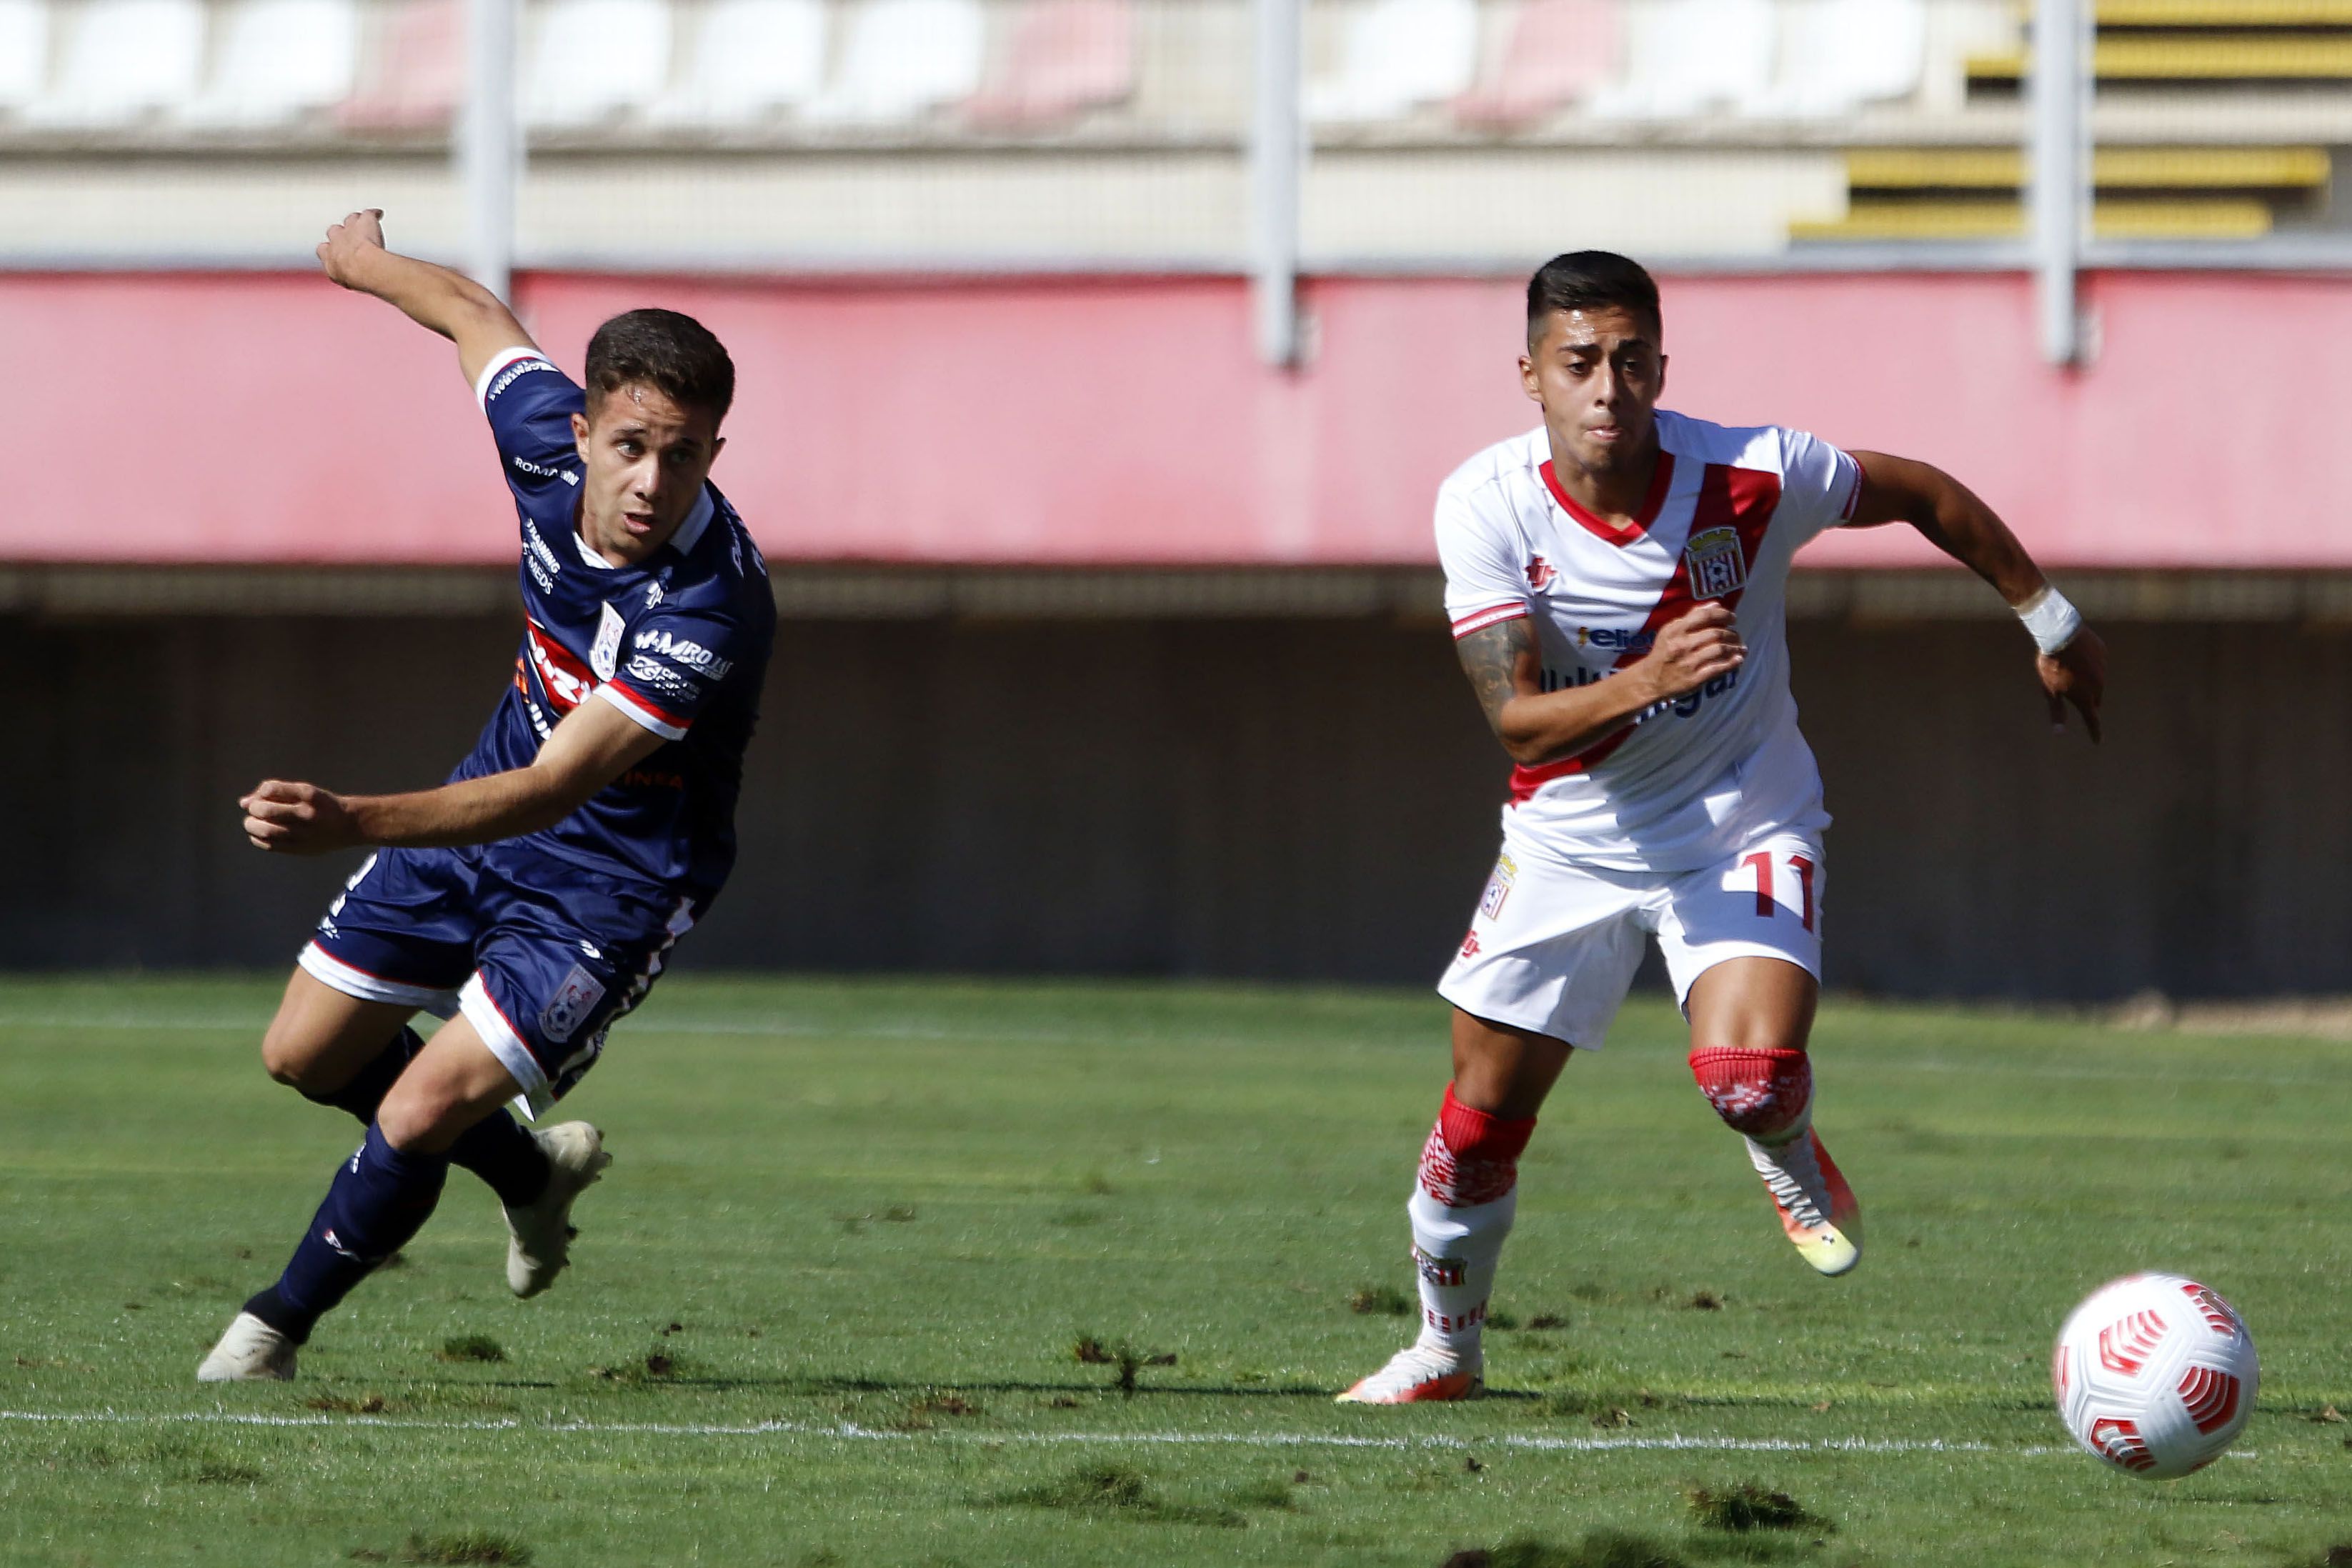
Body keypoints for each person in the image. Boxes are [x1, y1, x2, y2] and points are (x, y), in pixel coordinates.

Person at [1337, 251, 2105, 1404]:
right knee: (1475, 1130)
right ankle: (1446, 1353)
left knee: (1748, 1073)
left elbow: (1925, 496)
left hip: (1740, 819)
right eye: (1580, 363)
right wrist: (1646, 680)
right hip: (1569, 843)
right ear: (1531, 376)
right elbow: (1520, 725)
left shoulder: (1754, 472)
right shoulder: (1484, 503)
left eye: (1632, 361)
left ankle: (1786, 1150)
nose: (1609, 388)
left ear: (1661, 366)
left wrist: (2049, 617)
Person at [197, 209, 776, 1382]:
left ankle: (269, 1336)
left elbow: (558, 786)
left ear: (717, 450)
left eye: (686, 455)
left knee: (415, 1111)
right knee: (303, 1055)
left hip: (611, 884)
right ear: (584, 425)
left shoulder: (710, 607)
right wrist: (365, 265)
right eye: (632, 445)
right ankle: (529, 1171)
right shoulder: (540, 442)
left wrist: (351, 823)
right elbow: (473, 316)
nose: (651, 481)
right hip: (478, 815)